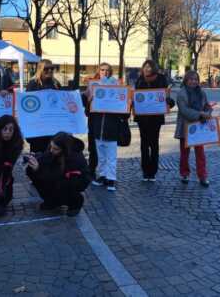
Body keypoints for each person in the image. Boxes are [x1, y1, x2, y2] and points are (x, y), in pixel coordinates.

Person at [26, 132, 91, 216]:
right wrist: (34, 159)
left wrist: (38, 169)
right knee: (33, 172)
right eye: (51, 146)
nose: (51, 150)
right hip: (60, 180)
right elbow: (45, 158)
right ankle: (52, 201)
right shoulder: (54, 149)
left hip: (75, 183)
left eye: (55, 149)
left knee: (61, 184)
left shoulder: (75, 158)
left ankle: (75, 203)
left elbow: (55, 177)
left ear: (64, 149)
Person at [88, 63, 128, 191]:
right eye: (102, 70)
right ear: (98, 71)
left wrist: (125, 102)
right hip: (97, 128)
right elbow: (88, 112)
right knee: (101, 156)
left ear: (110, 72)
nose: (105, 72)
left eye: (107, 70)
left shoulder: (117, 87)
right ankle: (102, 176)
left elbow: (124, 112)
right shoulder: (93, 87)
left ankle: (111, 179)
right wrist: (89, 101)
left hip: (111, 128)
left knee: (111, 156)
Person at [134, 60, 175, 182]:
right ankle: (145, 170)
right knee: (144, 145)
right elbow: (136, 97)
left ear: (154, 68)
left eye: (149, 67)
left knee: (154, 144)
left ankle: (152, 171)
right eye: (145, 66)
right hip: (142, 118)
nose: (147, 69)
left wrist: (169, 102)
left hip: (155, 118)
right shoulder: (140, 79)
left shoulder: (161, 79)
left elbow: (167, 98)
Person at [174, 70, 212, 187]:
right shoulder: (181, 94)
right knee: (184, 153)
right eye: (191, 79)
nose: (193, 81)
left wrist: (208, 112)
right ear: (186, 80)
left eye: (195, 79)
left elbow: (207, 106)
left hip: (199, 127)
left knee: (200, 153)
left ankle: (202, 175)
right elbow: (184, 111)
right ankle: (184, 174)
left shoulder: (202, 92)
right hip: (185, 127)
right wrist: (200, 114)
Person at [26, 59, 62, 153]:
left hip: (53, 126)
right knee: (38, 153)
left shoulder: (56, 84)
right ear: (40, 69)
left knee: (51, 152)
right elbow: (28, 106)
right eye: (46, 69)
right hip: (38, 127)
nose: (50, 71)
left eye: (52, 68)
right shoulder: (33, 84)